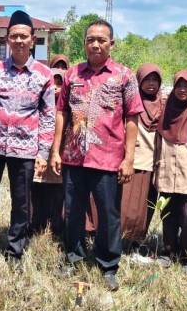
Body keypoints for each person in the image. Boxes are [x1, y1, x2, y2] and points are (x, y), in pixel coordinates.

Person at [50, 20, 142, 290]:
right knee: (74, 211)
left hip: (108, 158)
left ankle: (108, 263)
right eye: (90, 39)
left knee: (108, 213)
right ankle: (74, 256)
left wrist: (129, 159)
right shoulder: (72, 75)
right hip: (74, 156)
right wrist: (55, 150)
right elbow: (61, 113)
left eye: (101, 40)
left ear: (111, 44)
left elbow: (132, 118)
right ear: (84, 43)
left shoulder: (125, 76)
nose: (95, 44)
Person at [0, 10, 55, 266]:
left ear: (33, 39)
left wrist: (43, 153)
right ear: (7, 40)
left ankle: (15, 250)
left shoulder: (44, 74)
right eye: (14, 36)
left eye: (24, 36)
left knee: (21, 202)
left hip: (26, 149)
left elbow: (48, 116)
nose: (19, 40)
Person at [153, 70, 187, 271]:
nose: (182, 90)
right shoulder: (167, 112)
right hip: (166, 176)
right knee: (167, 217)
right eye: (179, 86)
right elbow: (158, 145)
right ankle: (169, 252)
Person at [118, 64, 164, 256]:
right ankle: (119, 242)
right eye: (147, 80)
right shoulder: (130, 102)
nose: (151, 84)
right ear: (139, 81)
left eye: (155, 80)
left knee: (146, 208)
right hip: (133, 161)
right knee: (126, 207)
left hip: (154, 163)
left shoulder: (164, 105)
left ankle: (137, 242)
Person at [30, 69, 65, 238]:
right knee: (37, 189)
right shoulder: (38, 102)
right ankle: (36, 225)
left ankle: (57, 227)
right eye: (53, 84)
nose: (56, 89)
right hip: (39, 152)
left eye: (60, 84)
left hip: (59, 154)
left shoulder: (68, 106)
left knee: (58, 192)